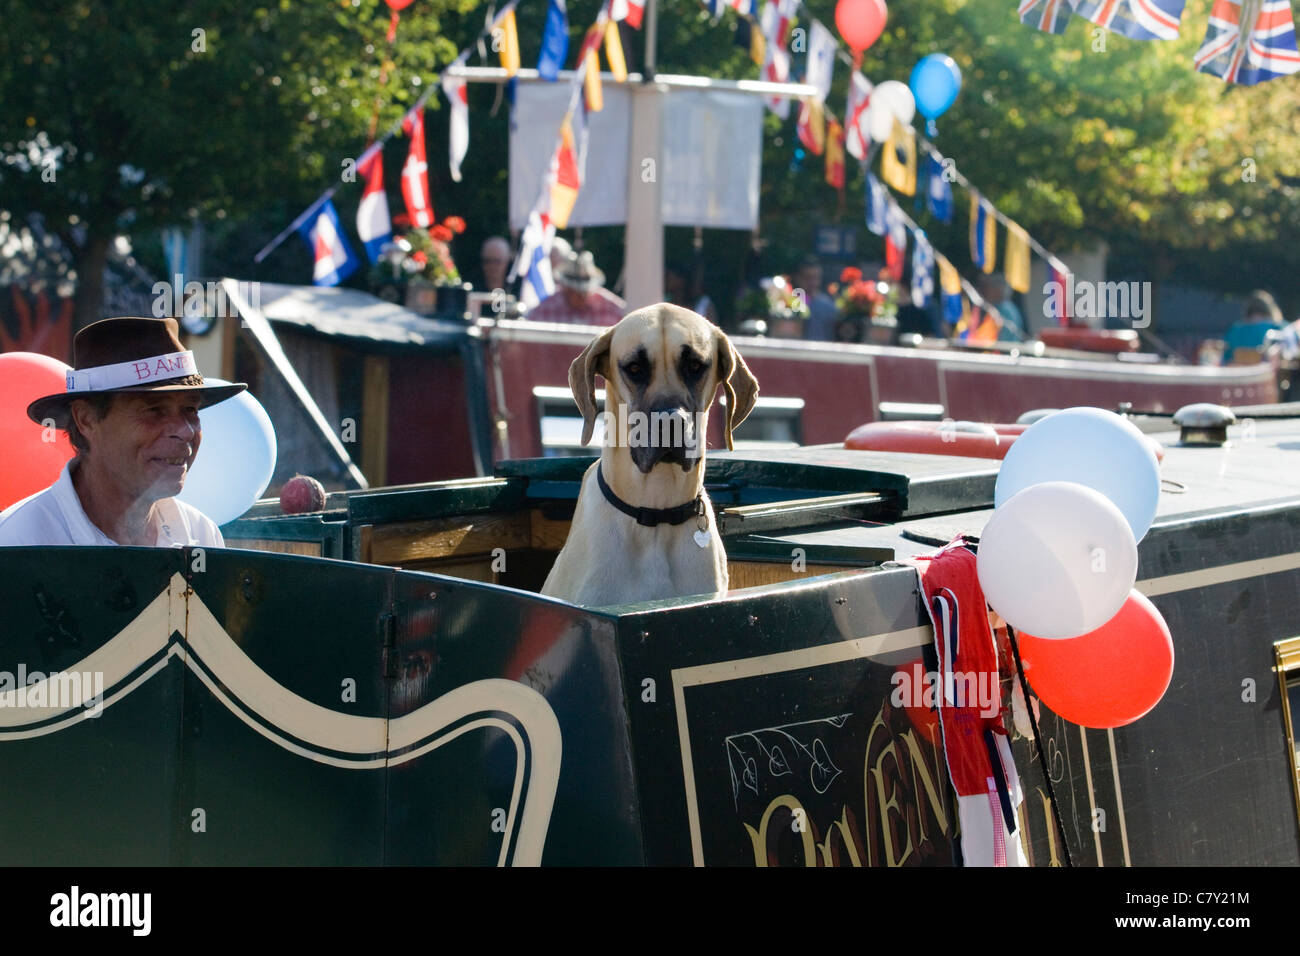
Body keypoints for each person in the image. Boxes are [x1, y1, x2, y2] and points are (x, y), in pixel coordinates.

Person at [0, 316, 246, 548]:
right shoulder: (16, 542)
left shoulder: (200, 535)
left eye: (191, 409)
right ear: (85, 420)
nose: (184, 430)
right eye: (154, 410)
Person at [528, 250, 626, 326]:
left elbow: (629, 319)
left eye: (584, 291)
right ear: (565, 288)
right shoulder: (548, 307)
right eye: (574, 291)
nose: (579, 296)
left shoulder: (609, 306)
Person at [1222, 290, 1286, 364]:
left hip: (1237, 371)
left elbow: (1226, 357)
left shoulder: (1235, 329)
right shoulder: (1276, 327)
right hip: (1266, 371)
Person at [796, 257, 840, 342]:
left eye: (816, 278)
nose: (812, 283)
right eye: (807, 278)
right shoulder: (788, 304)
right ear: (798, 278)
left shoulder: (829, 306)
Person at [978, 274, 1026, 342]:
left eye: (988, 288)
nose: (986, 292)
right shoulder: (1002, 307)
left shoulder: (1005, 310)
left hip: (1005, 350)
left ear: (997, 290)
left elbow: (1003, 338)